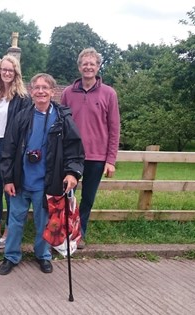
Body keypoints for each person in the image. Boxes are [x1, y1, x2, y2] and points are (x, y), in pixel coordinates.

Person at [0, 73, 84, 275]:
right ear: (31, 91)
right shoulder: (22, 117)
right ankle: (11, 256)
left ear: (53, 91)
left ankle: (43, 255)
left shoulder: (63, 119)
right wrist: (8, 178)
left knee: (44, 222)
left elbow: (75, 149)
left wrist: (72, 173)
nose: (41, 91)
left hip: (47, 182)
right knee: (15, 220)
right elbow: (8, 149)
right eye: (37, 87)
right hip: (21, 181)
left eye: (45, 87)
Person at [60, 47, 120, 249]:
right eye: (85, 63)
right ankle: (65, 233)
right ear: (79, 67)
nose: (88, 67)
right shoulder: (68, 93)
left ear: (98, 67)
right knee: (68, 196)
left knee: (88, 199)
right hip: (72, 156)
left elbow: (114, 127)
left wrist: (110, 160)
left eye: (92, 63)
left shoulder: (109, 93)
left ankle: (79, 234)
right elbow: (61, 124)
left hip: (97, 156)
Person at [0, 55, 31, 249]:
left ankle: (8, 232)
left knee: (10, 191)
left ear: (16, 72)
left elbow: (24, 129)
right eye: (4, 70)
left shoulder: (23, 98)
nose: (7, 73)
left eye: (10, 70)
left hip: (11, 149)